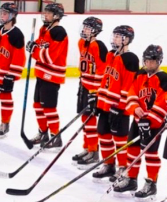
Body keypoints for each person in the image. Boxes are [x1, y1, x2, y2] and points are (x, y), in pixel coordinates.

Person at [113, 44, 167, 200]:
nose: (149, 64)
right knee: (132, 149)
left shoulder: (164, 78)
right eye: (147, 61)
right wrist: (134, 108)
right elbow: (132, 92)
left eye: (152, 61)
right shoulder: (140, 74)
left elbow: (164, 102)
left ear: (159, 61)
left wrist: (150, 119)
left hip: (154, 124)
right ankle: (131, 179)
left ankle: (151, 183)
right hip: (138, 120)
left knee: (150, 153)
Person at [92, 25, 139, 183]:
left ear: (127, 39)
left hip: (119, 107)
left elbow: (129, 85)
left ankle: (123, 167)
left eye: (120, 36)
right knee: (103, 134)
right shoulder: (111, 55)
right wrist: (99, 99)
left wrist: (120, 106)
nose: (115, 39)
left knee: (119, 138)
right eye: (115, 36)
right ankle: (108, 165)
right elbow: (107, 79)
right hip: (106, 104)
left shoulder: (131, 58)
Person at [26, 3, 68, 149]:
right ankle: (43, 133)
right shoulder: (45, 28)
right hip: (41, 74)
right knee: (37, 105)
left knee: (49, 107)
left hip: (52, 76)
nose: (46, 15)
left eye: (49, 13)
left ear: (56, 16)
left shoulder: (59, 32)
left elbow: (50, 56)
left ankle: (56, 137)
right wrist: (33, 46)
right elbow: (39, 45)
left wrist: (34, 50)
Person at [72, 17, 107, 169]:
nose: (84, 30)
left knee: (90, 119)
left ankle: (93, 151)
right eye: (84, 27)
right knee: (84, 117)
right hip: (83, 85)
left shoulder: (98, 46)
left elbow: (102, 69)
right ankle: (87, 147)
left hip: (93, 88)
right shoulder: (81, 43)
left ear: (95, 31)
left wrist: (95, 91)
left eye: (88, 28)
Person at [0, 3, 26, 137]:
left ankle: (5, 124)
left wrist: (12, 75)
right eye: (1, 13)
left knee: (5, 98)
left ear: (12, 16)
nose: (1, 16)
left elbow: (19, 57)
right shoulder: (0, 30)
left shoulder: (16, 34)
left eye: (4, 13)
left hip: (5, 75)